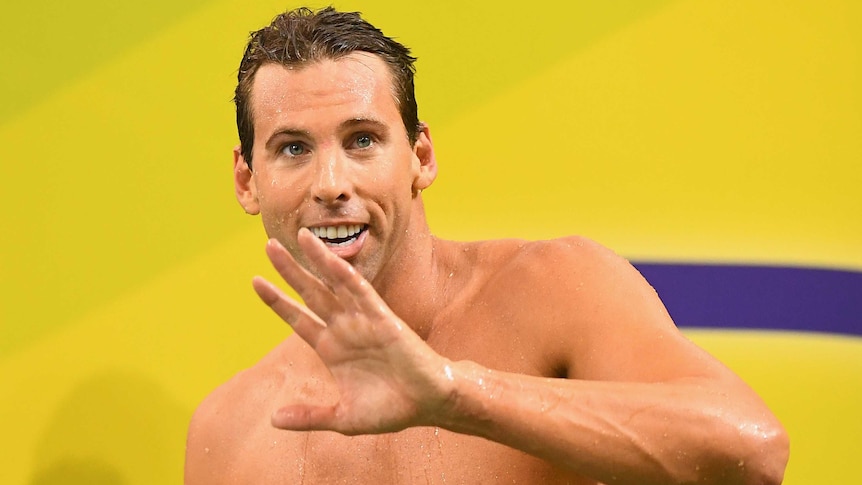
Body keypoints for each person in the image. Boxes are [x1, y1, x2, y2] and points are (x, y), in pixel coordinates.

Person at [185, 6, 789, 484]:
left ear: (420, 156)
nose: (332, 185)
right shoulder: (230, 431)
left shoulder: (555, 288)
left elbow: (752, 452)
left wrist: (453, 391)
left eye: (363, 140)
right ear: (246, 180)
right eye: (293, 148)